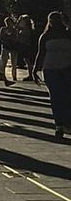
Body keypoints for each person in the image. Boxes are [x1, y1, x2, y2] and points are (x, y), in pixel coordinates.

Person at [35, 11, 71, 139]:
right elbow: (40, 53)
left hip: (67, 69)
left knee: (67, 97)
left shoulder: (68, 33)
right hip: (51, 70)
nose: (54, 22)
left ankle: (67, 123)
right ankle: (59, 125)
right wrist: (35, 70)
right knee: (56, 98)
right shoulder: (45, 36)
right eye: (52, 20)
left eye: (57, 19)